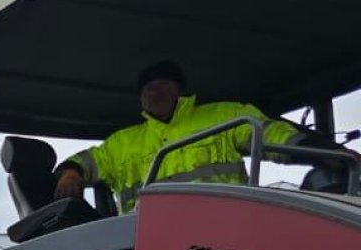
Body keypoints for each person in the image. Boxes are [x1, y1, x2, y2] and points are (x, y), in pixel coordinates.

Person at [54, 61, 313, 213]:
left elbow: (269, 135)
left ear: (180, 89)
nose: (154, 93)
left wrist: (310, 146)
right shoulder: (121, 143)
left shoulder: (225, 116)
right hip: (146, 242)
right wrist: (71, 174)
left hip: (227, 230)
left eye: (162, 85)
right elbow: (87, 161)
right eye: (147, 88)